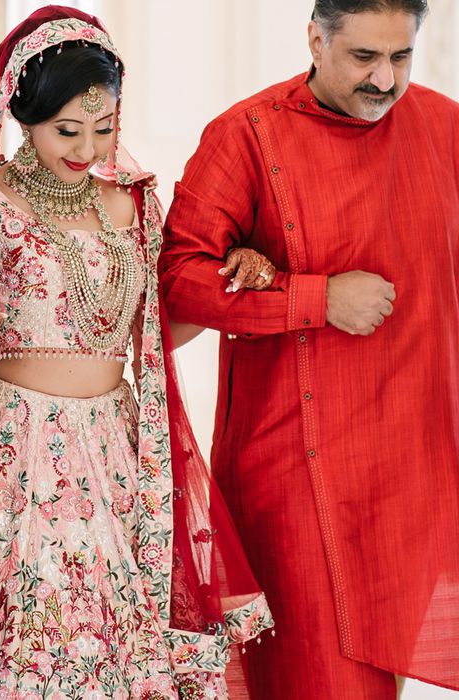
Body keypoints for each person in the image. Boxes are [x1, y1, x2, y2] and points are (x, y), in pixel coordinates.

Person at [0, 7, 275, 700]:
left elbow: (153, 336)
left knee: (118, 643)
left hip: (118, 451)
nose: (87, 147)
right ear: (23, 115)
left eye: (104, 127)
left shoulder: (137, 207)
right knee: (22, 641)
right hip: (18, 448)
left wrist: (234, 276)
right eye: (67, 130)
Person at [160, 0, 459, 698]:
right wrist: (315, 299)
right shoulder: (247, 137)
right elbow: (176, 282)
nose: (385, 79)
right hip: (297, 473)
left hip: (413, 473)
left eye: (401, 57)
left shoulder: (444, 128)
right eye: (364, 58)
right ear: (316, 42)